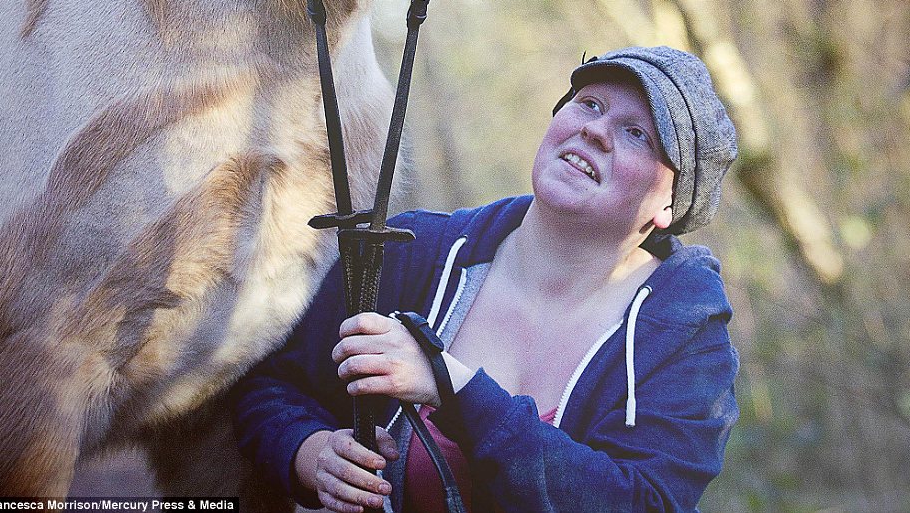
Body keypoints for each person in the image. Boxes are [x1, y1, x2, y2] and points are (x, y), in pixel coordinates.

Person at [232, 46, 740, 513]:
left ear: (671, 204)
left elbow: (642, 503)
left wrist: (452, 387)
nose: (596, 130)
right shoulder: (414, 253)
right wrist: (308, 450)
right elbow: (270, 384)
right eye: (588, 105)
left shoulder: (684, 338)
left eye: (637, 134)